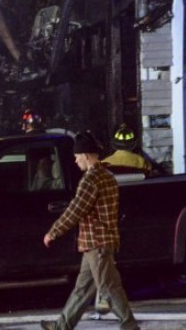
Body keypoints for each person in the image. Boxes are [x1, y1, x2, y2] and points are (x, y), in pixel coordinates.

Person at [41, 131, 139, 330]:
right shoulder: (107, 176)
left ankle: (130, 326)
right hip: (99, 242)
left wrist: (54, 231)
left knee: (109, 287)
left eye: (77, 156)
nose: (76, 161)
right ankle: (62, 326)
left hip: (96, 243)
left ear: (86, 155)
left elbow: (76, 209)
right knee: (83, 289)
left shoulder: (90, 179)